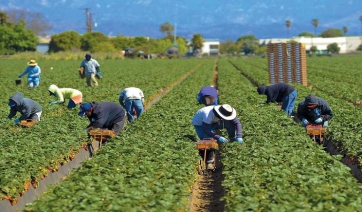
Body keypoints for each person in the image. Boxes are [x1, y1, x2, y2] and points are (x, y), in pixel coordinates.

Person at [192, 104, 243, 168]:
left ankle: (232, 140)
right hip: (201, 125)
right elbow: (206, 130)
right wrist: (218, 137)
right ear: (219, 114)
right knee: (208, 140)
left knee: (230, 123)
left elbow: (237, 123)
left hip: (214, 122)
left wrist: (239, 136)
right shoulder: (208, 115)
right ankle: (209, 161)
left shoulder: (226, 111)